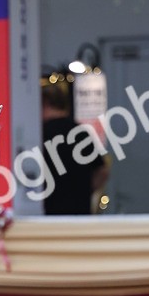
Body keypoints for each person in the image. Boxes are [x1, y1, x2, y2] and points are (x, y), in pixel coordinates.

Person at [41, 82, 107, 215]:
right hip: (79, 212)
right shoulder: (80, 132)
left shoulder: (40, 133)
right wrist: (85, 191)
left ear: (45, 103)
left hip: (48, 212)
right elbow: (102, 170)